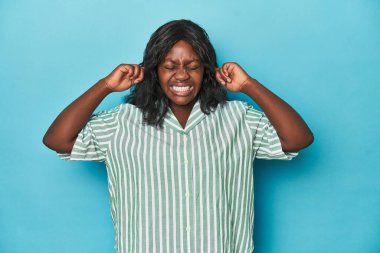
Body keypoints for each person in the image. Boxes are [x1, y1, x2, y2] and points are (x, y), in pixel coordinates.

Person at [43, 19, 313, 253]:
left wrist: (248, 85)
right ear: (154, 71)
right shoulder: (122, 122)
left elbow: (298, 139)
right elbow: (58, 140)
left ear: (206, 70)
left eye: (192, 66)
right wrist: (105, 86)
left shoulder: (237, 118)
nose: (181, 75)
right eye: (170, 66)